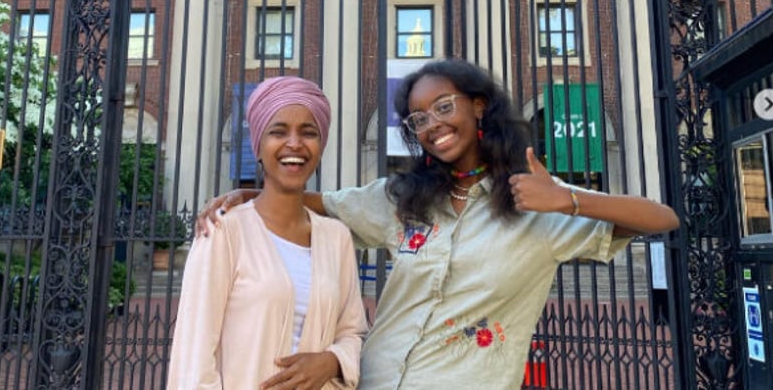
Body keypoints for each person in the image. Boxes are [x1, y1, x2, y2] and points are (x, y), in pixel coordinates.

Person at [196, 59, 680, 389]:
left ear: (478, 105)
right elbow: (316, 201)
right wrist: (249, 193)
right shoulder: (400, 200)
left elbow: (662, 218)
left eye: (443, 107)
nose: (431, 125)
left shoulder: (537, 202)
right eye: (417, 120)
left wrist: (568, 199)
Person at [168, 76, 367, 390]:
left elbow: (352, 332)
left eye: (308, 133)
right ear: (258, 145)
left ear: (320, 146)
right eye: (278, 131)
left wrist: (331, 361)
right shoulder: (224, 230)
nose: (294, 143)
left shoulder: (336, 238)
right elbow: (194, 350)